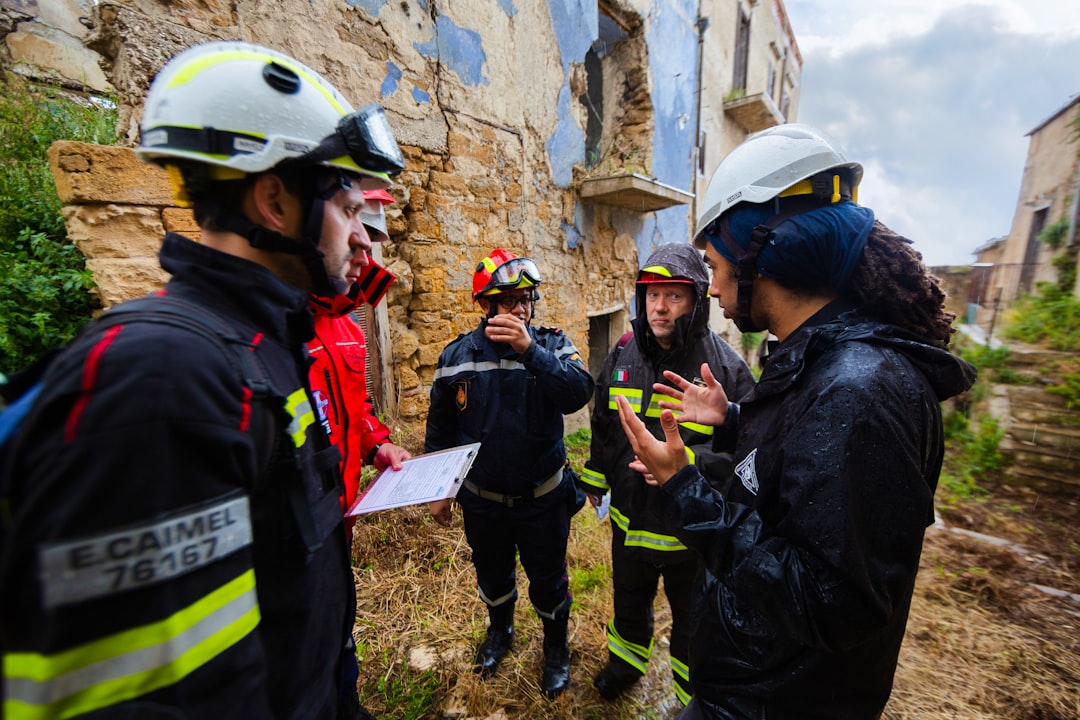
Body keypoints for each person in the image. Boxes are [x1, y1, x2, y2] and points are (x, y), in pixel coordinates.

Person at [0, 41, 404, 719]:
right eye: (345, 205)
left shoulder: (264, 345)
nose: (361, 237)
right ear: (274, 199)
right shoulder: (162, 381)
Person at [614, 123, 977, 720]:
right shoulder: (826, 360)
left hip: (771, 703)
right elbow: (801, 470)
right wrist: (732, 420)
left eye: (713, 263)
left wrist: (686, 488)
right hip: (754, 684)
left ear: (761, 254)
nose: (715, 284)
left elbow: (828, 601)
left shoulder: (859, 392)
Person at [580, 242, 755, 707]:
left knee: (693, 618)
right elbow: (604, 422)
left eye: (673, 296)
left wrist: (687, 469)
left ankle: (689, 693)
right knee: (629, 602)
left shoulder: (724, 370)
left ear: (696, 301)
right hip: (630, 520)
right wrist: (596, 479)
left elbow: (751, 455)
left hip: (691, 532)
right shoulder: (622, 353)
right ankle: (625, 664)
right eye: (651, 294)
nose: (659, 307)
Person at [424, 248, 594, 698]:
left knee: (549, 581)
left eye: (527, 298)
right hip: (483, 501)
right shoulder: (455, 357)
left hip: (543, 498)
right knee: (493, 576)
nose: (521, 308)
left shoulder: (553, 345)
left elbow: (578, 393)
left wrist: (530, 351)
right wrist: (441, 489)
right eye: (508, 299)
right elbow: (440, 429)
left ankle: (555, 649)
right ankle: (500, 632)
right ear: (484, 305)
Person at [308, 187, 411, 536]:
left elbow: (353, 407)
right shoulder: (276, 330)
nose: (365, 258)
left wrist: (377, 446)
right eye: (355, 243)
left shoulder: (346, 326)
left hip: (341, 519)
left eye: (370, 244)